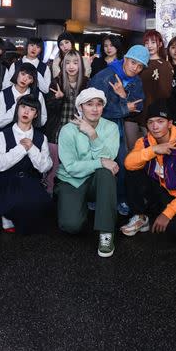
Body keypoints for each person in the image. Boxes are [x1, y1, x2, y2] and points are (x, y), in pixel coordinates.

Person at [121, 101, 176, 242]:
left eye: (160, 121)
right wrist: (153, 150)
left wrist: (167, 214)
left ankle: (160, 214)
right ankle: (141, 216)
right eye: (150, 122)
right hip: (158, 190)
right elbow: (128, 164)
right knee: (133, 168)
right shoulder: (145, 142)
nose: (155, 126)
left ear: (170, 123)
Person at [55, 88, 121, 257]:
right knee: (71, 226)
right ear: (81, 107)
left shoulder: (111, 127)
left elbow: (110, 159)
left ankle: (106, 233)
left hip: (97, 180)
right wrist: (98, 162)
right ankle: (81, 207)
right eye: (89, 104)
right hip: (72, 180)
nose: (94, 108)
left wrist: (92, 134)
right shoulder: (68, 130)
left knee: (106, 173)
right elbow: (70, 167)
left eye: (99, 104)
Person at [88, 44, 147, 215]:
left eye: (140, 66)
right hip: (97, 127)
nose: (135, 68)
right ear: (125, 59)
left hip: (117, 128)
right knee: (97, 162)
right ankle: (93, 198)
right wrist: (123, 108)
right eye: (133, 63)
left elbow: (139, 105)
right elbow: (93, 108)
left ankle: (120, 199)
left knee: (121, 163)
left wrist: (123, 96)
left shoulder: (136, 81)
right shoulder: (104, 76)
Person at [0, 95, 53, 234]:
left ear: (36, 114)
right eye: (23, 107)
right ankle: (6, 215)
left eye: (31, 109)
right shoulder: (3, 134)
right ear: (17, 109)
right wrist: (20, 149)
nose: (26, 112)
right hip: (7, 180)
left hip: (30, 179)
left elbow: (45, 167)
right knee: (14, 204)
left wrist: (32, 148)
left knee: (42, 206)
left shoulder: (41, 137)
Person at [45, 49, 88, 191]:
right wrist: (58, 99)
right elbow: (48, 109)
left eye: (75, 63)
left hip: (78, 130)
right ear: (63, 65)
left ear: (80, 65)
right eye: (68, 62)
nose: (71, 66)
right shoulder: (56, 82)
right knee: (54, 165)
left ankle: (74, 193)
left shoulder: (86, 83)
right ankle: (50, 192)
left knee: (75, 166)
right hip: (57, 129)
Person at [0, 63, 47, 128]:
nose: (24, 79)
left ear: (32, 81)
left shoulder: (38, 95)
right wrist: (17, 105)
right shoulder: (3, 94)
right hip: (9, 135)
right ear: (17, 73)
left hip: (30, 134)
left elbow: (43, 119)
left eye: (29, 77)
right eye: (23, 74)